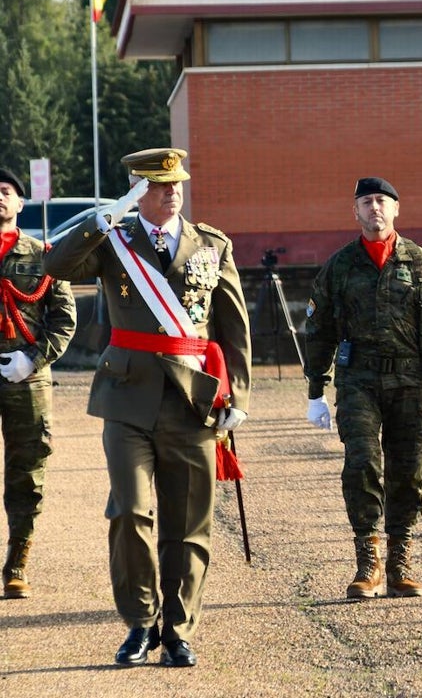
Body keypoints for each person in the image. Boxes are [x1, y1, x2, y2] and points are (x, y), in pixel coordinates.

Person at [44, 148, 251, 668]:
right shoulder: (114, 239)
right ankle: (140, 622)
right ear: (137, 191)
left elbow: (233, 326)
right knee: (130, 510)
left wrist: (239, 399)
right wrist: (100, 220)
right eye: (158, 186)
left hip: (193, 401)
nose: (171, 192)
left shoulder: (211, 243)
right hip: (126, 396)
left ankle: (178, 629)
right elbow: (53, 266)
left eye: (176, 183)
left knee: (187, 522)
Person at [304, 176, 422, 600]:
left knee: (407, 469)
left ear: (396, 209)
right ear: (355, 212)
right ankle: (368, 562)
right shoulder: (340, 266)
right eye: (366, 202)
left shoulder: (418, 260)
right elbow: (320, 329)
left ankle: (400, 562)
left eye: (382, 201)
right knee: (361, 462)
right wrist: (315, 390)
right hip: (358, 378)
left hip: (409, 380)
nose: (374, 208)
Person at [0, 168, 76, 599]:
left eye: (6, 192)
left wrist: (32, 359)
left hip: (25, 376)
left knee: (27, 471)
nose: (0, 198)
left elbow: (64, 319)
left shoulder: (46, 255)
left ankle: (17, 565)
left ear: (20, 203)